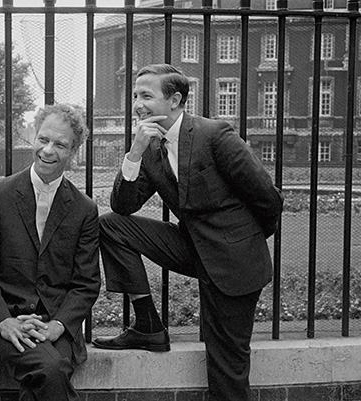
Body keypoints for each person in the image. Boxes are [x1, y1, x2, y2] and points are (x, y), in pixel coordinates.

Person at [92, 64, 284, 401]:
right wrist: (135, 152)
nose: (137, 104)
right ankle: (147, 325)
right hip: (191, 246)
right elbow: (123, 206)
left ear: (175, 100)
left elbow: (268, 199)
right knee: (111, 225)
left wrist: (242, 243)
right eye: (135, 96)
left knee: (226, 362)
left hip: (234, 259)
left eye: (146, 96)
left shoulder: (214, 135)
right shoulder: (151, 149)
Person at [0, 103, 101, 401]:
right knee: (51, 369)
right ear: (34, 137)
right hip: (7, 320)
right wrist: (3, 322)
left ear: (73, 151)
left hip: (56, 324)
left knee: (49, 372)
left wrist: (58, 326)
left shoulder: (84, 209)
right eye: (43, 139)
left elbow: (87, 282)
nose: (48, 150)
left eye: (60, 145)